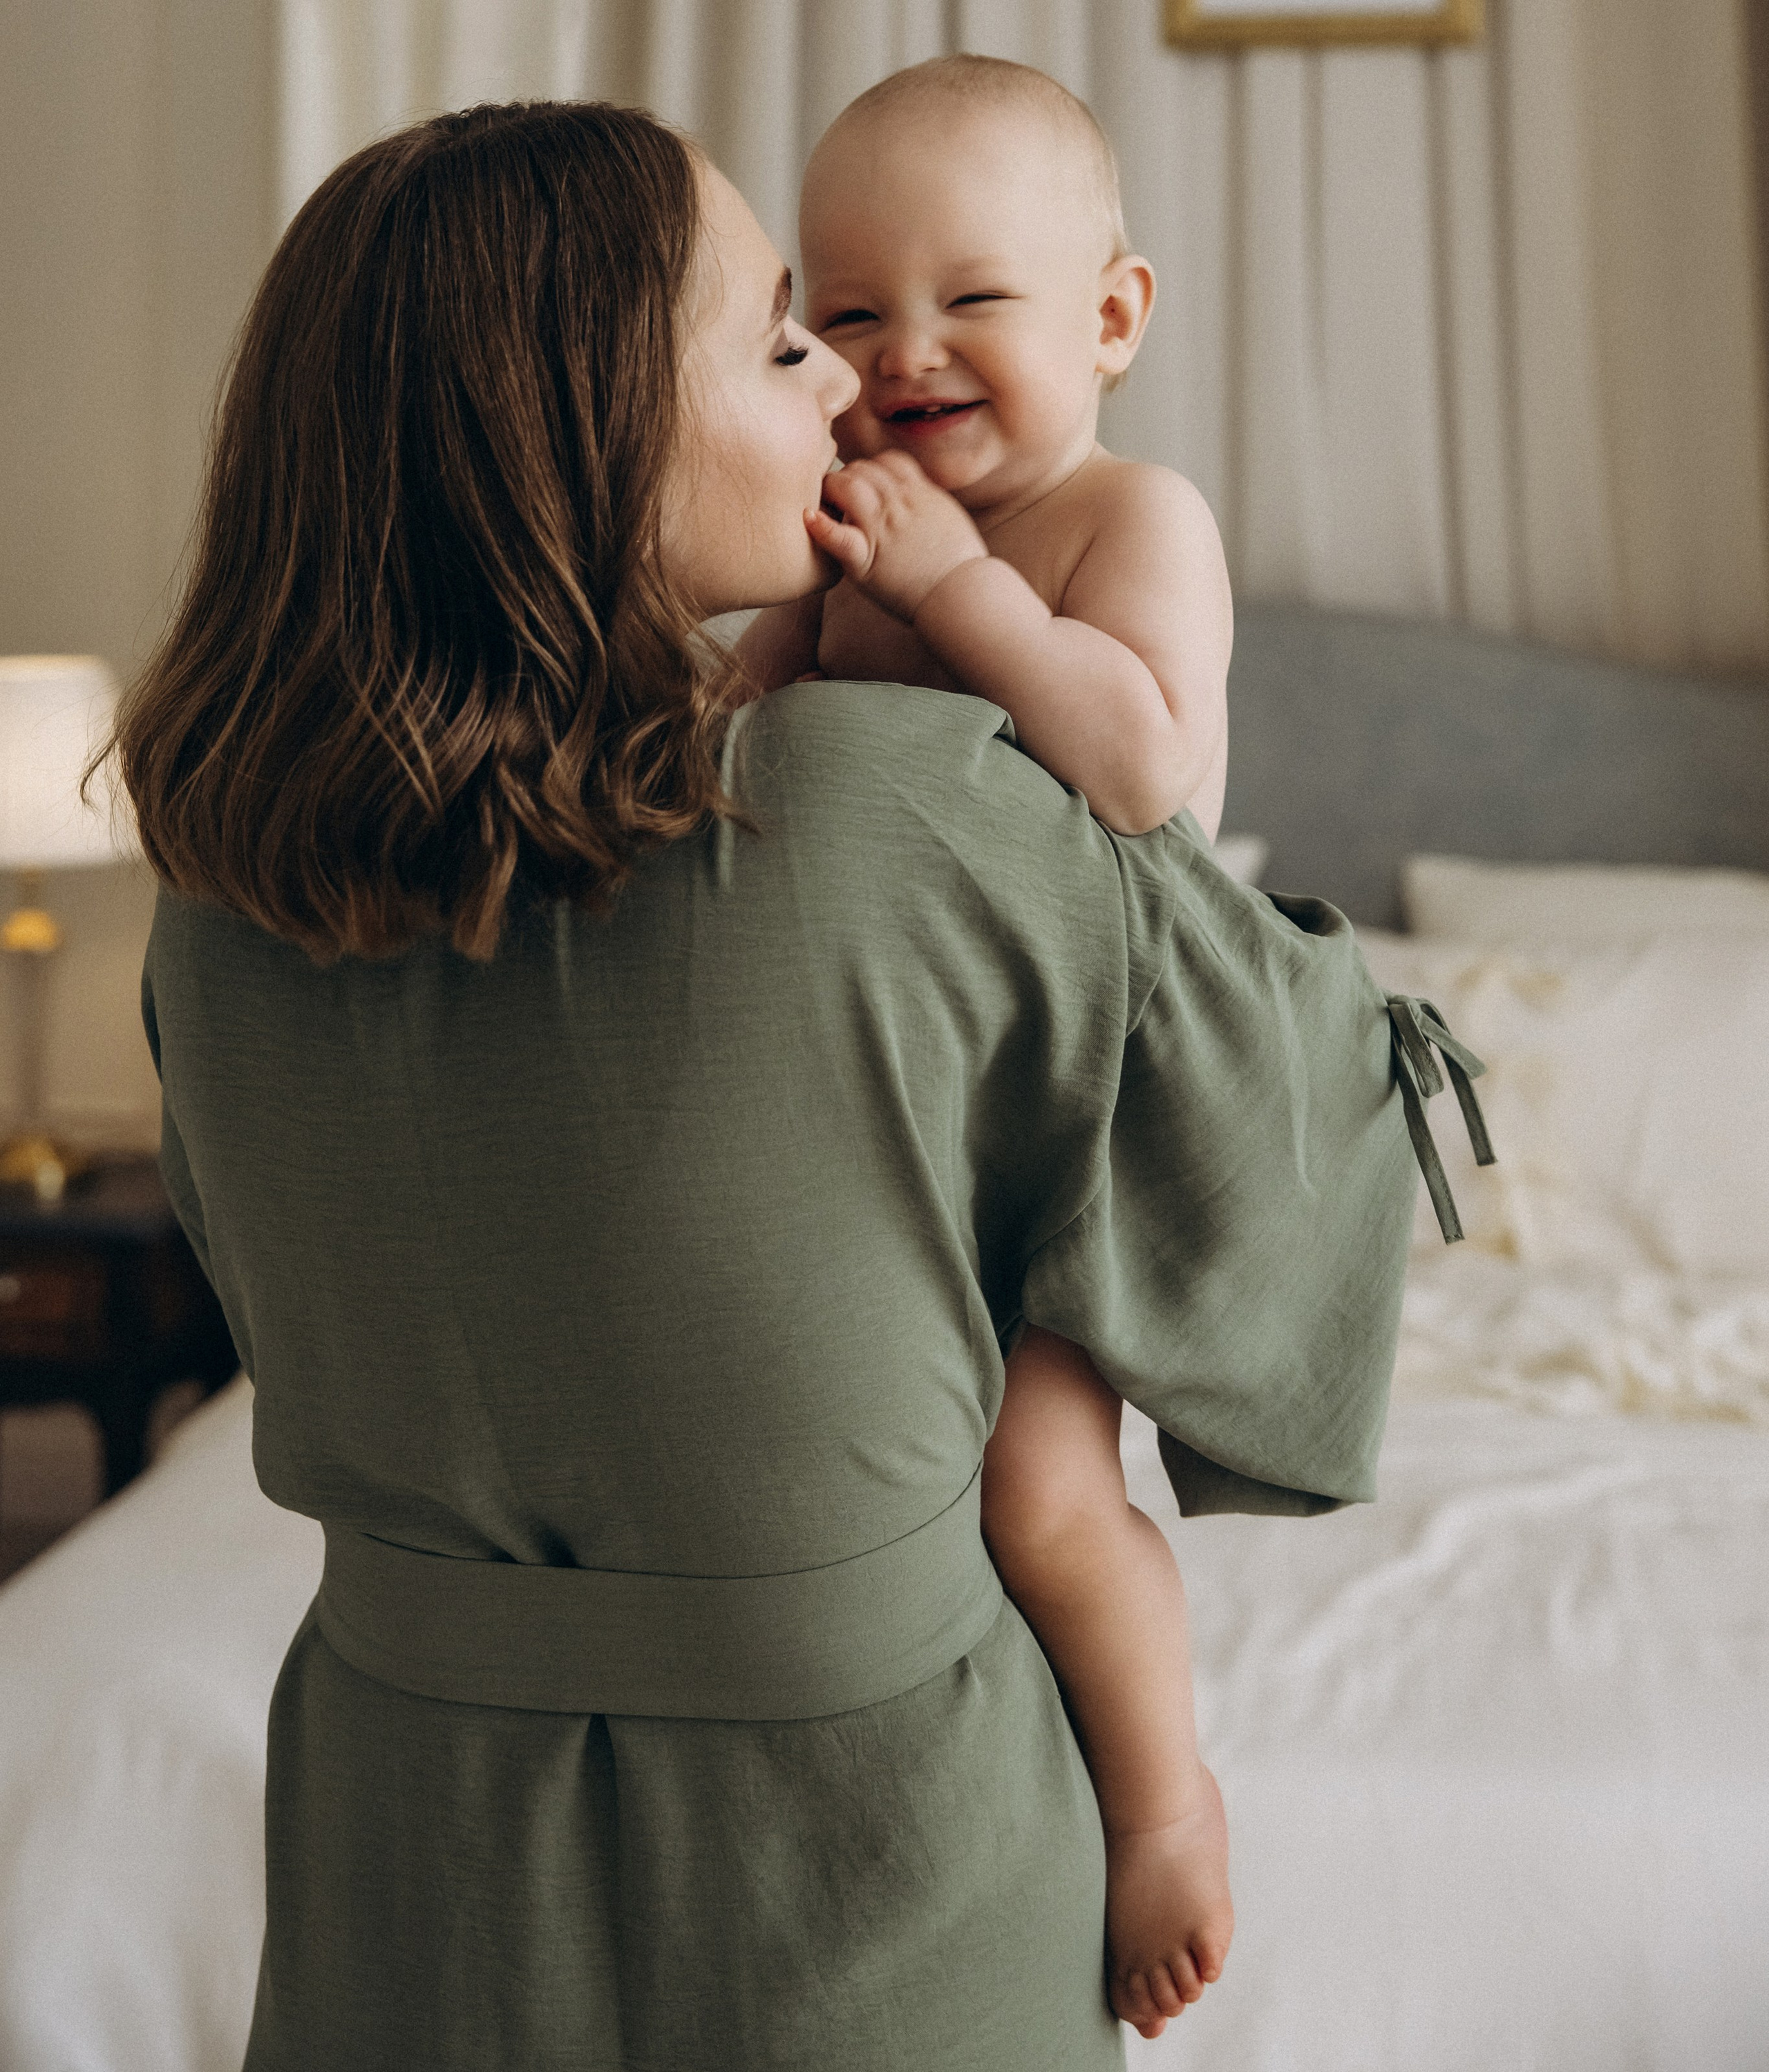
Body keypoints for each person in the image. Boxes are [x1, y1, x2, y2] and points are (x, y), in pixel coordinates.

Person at [118, 100, 1448, 2072]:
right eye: (781, 337)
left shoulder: (222, 904)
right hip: (871, 1879)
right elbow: (1268, 1167)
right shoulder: (890, 800)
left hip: (406, 1861)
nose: (852, 381)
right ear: (581, 438)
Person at [741, 53, 1234, 2032]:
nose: (905, 350)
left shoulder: (1129, 518)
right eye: (845, 315)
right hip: (870, 1113)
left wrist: (955, 591)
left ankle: (1160, 1799)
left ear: (1110, 318)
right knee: (845, 1482)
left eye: (973, 300)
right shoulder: (845, 540)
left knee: (1035, 1490)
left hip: (1078, 1104)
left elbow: (1144, 774)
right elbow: (736, 729)